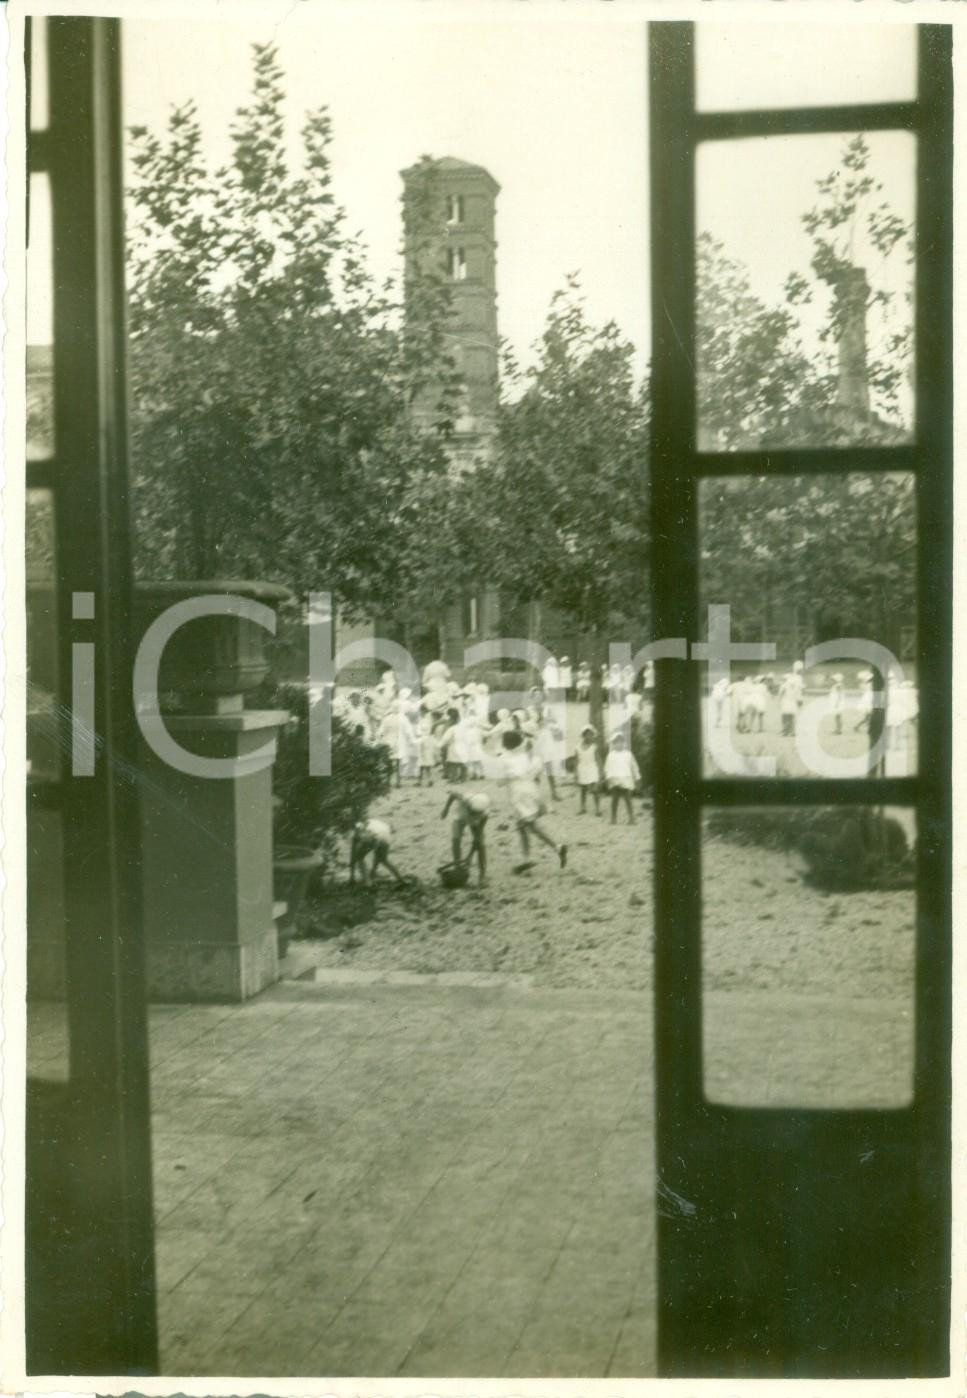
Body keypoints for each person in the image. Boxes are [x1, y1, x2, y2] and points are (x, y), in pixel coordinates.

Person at [500, 729, 567, 874]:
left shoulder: (505, 758)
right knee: (524, 827)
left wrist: (507, 778)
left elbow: (500, 781)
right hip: (531, 789)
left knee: (529, 826)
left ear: (505, 744)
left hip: (518, 793)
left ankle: (557, 847)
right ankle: (526, 860)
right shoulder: (525, 756)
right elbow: (537, 771)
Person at [441, 789, 491, 886]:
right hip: (460, 816)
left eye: (475, 813)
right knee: (456, 840)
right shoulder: (465, 798)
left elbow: (477, 838)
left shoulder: (484, 815)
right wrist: (446, 809)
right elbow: (453, 794)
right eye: (472, 811)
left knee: (481, 844)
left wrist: (469, 856)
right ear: (468, 806)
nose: (473, 814)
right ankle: (457, 868)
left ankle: (482, 876)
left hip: (475, 822)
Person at [349, 818, 404, 885]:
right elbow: (377, 853)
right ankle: (401, 879)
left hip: (372, 835)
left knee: (360, 857)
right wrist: (373, 870)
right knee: (384, 860)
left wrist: (352, 876)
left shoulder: (356, 832)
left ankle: (368, 884)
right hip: (385, 835)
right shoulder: (374, 822)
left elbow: (353, 856)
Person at [604, 731, 640, 825]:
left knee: (628, 799)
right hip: (615, 779)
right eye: (616, 742)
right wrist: (608, 778)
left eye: (620, 742)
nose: (618, 744)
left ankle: (631, 818)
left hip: (626, 779)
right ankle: (613, 818)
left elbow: (634, 766)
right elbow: (607, 768)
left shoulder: (628, 754)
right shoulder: (611, 755)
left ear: (624, 743)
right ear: (613, 744)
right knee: (614, 800)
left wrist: (637, 777)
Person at [534, 711, 565, 801]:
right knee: (536, 776)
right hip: (539, 756)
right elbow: (536, 745)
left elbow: (558, 735)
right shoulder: (537, 732)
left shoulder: (548, 730)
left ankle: (554, 793)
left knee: (550, 775)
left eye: (543, 721)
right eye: (540, 721)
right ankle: (534, 794)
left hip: (547, 755)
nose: (542, 723)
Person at [575, 724, 602, 815]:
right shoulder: (577, 747)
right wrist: (576, 772)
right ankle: (583, 808)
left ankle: (598, 809)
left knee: (595, 789)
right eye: (586, 734)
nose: (588, 736)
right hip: (582, 768)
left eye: (590, 734)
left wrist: (601, 771)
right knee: (583, 789)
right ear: (583, 735)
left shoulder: (594, 747)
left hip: (592, 768)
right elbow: (576, 760)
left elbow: (598, 759)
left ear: (592, 735)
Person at [779, 663, 805, 737]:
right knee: (788, 715)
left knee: (788, 715)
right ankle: (788, 730)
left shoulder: (797, 679)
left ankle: (788, 731)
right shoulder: (794, 679)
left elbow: (799, 690)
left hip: (791, 699)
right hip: (788, 699)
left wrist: (800, 699)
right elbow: (782, 691)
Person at [418, 715, 438, 785]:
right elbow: (435, 745)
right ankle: (430, 779)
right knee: (428, 767)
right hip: (428, 754)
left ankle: (420, 781)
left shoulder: (421, 738)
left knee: (421, 767)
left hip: (422, 754)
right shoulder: (430, 737)